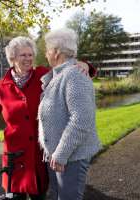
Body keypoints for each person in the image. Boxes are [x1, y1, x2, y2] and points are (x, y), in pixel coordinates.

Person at [0, 36, 96, 200]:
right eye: (23, 55)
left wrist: (85, 65)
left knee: (41, 195)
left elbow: (66, 69)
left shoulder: (44, 75)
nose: (28, 58)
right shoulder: (2, 85)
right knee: (15, 196)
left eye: (31, 55)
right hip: (15, 156)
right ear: (12, 58)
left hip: (39, 153)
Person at [38, 28, 101, 200]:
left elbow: (82, 120)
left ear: (56, 52)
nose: (45, 54)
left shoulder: (75, 76)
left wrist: (60, 154)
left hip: (70, 156)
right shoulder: (58, 74)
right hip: (57, 155)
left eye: (47, 49)